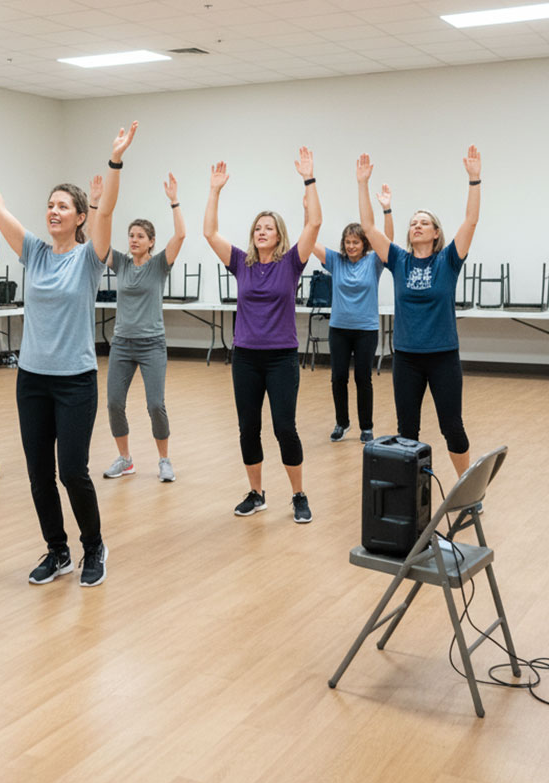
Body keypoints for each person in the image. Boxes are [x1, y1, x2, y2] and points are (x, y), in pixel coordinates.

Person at [0, 119, 137, 587]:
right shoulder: (34, 252)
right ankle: (57, 550)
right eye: (50, 205)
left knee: (71, 471)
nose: (53, 211)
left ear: (80, 217)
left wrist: (115, 160)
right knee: (39, 475)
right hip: (32, 380)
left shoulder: (88, 258)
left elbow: (109, 209)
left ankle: (93, 547)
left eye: (63, 206)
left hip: (75, 381)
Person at [203, 149, 321, 523]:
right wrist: (214, 191)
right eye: (257, 227)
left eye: (267, 227)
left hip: (282, 357)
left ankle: (299, 495)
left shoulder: (291, 263)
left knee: (285, 427)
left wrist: (309, 179)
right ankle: (256, 493)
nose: (261, 231)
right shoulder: (241, 263)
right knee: (248, 428)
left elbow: (315, 223)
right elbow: (209, 232)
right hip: (246, 358)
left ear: (279, 234)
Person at [357, 148, 481, 477]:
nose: (417, 226)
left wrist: (474, 179)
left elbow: (470, 221)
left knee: (452, 426)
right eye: (413, 223)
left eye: (424, 223)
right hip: (407, 358)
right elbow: (368, 226)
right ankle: (409, 496)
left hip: (443, 356)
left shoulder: (448, 260)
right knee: (406, 431)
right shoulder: (399, 260)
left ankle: (466, 487)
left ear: (436, 232)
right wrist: (362, 184)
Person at [94, 174, 186, 482]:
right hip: (121, 344)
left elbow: (181, 235)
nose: (133, 239)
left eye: (139, 236)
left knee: (155, 404)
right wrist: (95, 206)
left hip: (151, 345)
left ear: (151, 242)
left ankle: (164, 460)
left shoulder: (159, 265)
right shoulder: (120, 262)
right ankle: (125, 459)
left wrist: (174, 201)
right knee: (114, 403)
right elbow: (97, 243)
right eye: (130, 235)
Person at [312, 186, 394, 444]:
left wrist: (386, 210)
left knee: (362, 378)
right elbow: (310, 243)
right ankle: (342, 423)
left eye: (355, 242)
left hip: (366, 330)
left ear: (364, 244)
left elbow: (388, 242)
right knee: (338, 377)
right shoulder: (336, 261)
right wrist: (307, 213)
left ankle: (366, 427)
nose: (350, 246)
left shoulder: (374, 262)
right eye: (347, 242)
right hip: (339, 329)